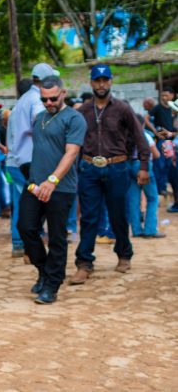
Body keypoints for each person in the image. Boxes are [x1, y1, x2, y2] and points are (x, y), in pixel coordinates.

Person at [70, 64, 150, 285]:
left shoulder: (123, 109)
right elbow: (71, 140)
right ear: (91, 82)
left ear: (111, 81)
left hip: (117, 168)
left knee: (118, 215)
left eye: (105, 80)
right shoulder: (83, 111)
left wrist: (143, 165)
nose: (101, 84)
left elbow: (139, 136)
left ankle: (124, 253)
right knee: (88, 217)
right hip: (89, 169)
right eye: (97, 80)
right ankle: (84, 263)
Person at [17, 76, 86, 304]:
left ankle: (52, 285)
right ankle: (44, 271)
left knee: (57, 237)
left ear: (63, 93)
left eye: (53, 98)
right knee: (25, 227)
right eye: (44, 99)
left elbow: (71, 153)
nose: (48, 103)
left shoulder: (74, 119)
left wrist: (53, 180)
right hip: (35, 185)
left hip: (60, 188)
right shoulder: (40, 118)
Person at [7, 66, 57, 257]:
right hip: (29, 162)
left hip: (15, 160)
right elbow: (41, 121)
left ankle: (20, 243)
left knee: (21, 202)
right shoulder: (37, 101)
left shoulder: (22, 101)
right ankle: (27, 244)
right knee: (34, 204)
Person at [128, 114, 163, 238]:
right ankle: (150, 230)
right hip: (144, 166)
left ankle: (136, 230)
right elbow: (157, 155)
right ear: (142, 124)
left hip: (131, 166)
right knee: (152, 198)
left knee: (133, 199)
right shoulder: (145, 135)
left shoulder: (127, 135)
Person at [146, 87, 178, 210]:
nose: (164, 97)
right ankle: (162, 189)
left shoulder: (173, 110)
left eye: (166, 95)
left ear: (172, 95)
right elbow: (146, 119)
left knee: (171, 168)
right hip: (165, 141)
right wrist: (156, 131)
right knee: (163, 165)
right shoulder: (158, 108)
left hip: (171, 142)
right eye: (162, 95)